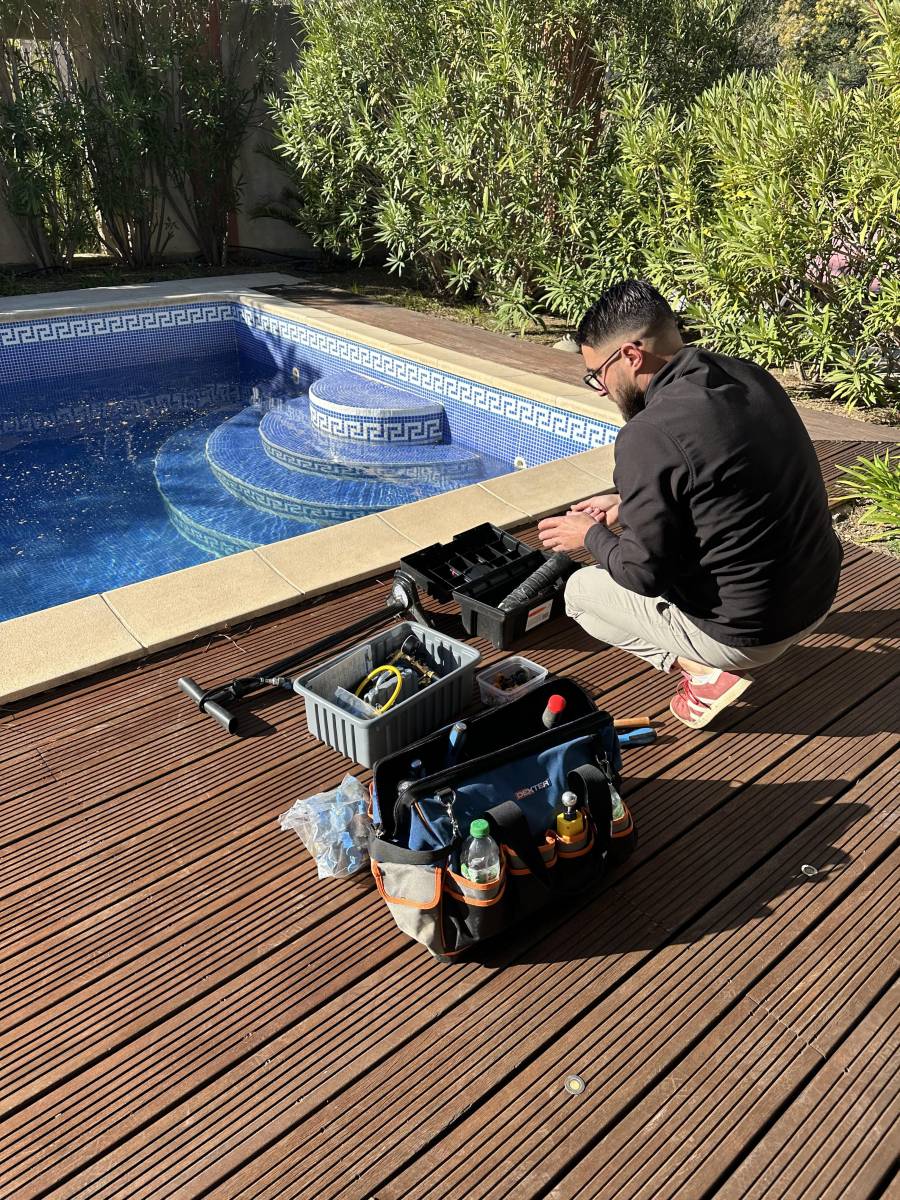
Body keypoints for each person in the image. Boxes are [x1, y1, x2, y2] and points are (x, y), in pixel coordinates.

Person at [538, 279, 843, 729]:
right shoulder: (745, 375)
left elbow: (642, 574)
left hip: (754, 634)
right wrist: (627, 501)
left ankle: (701, 673)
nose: (600, 389)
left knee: (580, 592)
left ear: (630, 356)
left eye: (597, 375)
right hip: (820, 591)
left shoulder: (648, 434)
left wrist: (591, 535)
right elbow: (721, 480)